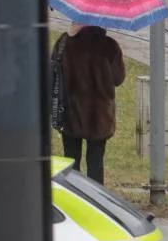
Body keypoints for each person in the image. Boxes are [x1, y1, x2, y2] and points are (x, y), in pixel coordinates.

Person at [52, 24, 125, 183]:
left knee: (71, 163)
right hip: (99, 117)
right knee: (96, 164)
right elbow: (118, 79)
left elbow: (53, 71)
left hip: (70, 113)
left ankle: (72, 195)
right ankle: (96, 199)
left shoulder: (64, 43)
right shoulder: (110, 46)